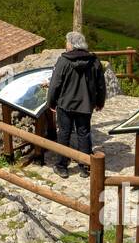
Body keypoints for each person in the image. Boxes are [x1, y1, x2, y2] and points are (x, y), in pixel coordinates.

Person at [45, 32, 106, 178]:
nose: (66, 45)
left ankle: (62, 166)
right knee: (84, 133)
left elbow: (55, 84)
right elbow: (101, 85)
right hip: (86, 105)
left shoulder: (64, 61)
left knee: (64, 133)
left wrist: (51, 102)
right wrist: (100, 102)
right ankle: (84, 166)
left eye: (67, 42)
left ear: (71, 44)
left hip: (65, 104)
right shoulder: (93, 61)